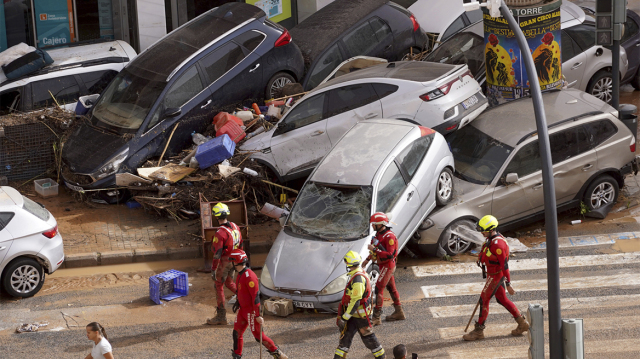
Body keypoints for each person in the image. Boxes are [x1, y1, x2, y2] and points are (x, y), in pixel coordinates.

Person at [463, 215, 530, 341]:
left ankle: (479, 331)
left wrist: (509, 284)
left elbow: (504, 266)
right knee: (502, 299)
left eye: (483, 230)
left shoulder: (498, 245)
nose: (481, 232)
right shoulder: (491, 238)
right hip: (492, 274)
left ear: (491, 229)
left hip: (495, 276)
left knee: (484, 300)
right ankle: (522, 323)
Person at [228, 248, 288, 359]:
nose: (232, 263)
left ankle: (277, 353)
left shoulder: (250, 277)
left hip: (251, 312)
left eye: (232, 261)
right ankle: (237, 356)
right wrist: (238, 302)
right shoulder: (240, 274)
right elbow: (241, 291)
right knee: (236, 333)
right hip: (243, 311)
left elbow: (255, 297)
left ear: (236, 262)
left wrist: (257, 315)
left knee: (258, 336)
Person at [334, 250, 386, 359]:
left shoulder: (358, 279)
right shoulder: (358, 273)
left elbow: (356, 301)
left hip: (360, 316)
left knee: (369, 340)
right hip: (353, 315)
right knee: (345, 340)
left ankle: (381, 357)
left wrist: (344, 318)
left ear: (349, 264)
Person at [362, 212, 405, 326]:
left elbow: (390, 255)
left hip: (388, 265)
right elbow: (375, 249)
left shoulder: (389, 236)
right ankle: (399, 312)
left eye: (374, 224)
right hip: (382, 265)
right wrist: (367, 259)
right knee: (391, 288)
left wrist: (375, 250)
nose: (372, 226)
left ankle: (376, 317)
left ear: (380, 224)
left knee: (378, 289)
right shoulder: (378, 235)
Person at [207, 202, 243, 325]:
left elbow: (217, 253)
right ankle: (245, 298)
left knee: (218, 285)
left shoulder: (220, 233)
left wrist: (213, 268)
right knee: (229, 282)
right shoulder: (235, 227)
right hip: (235, 259)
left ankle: (221, 316)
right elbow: (241, 244)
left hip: (225, 262)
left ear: (216, 217)